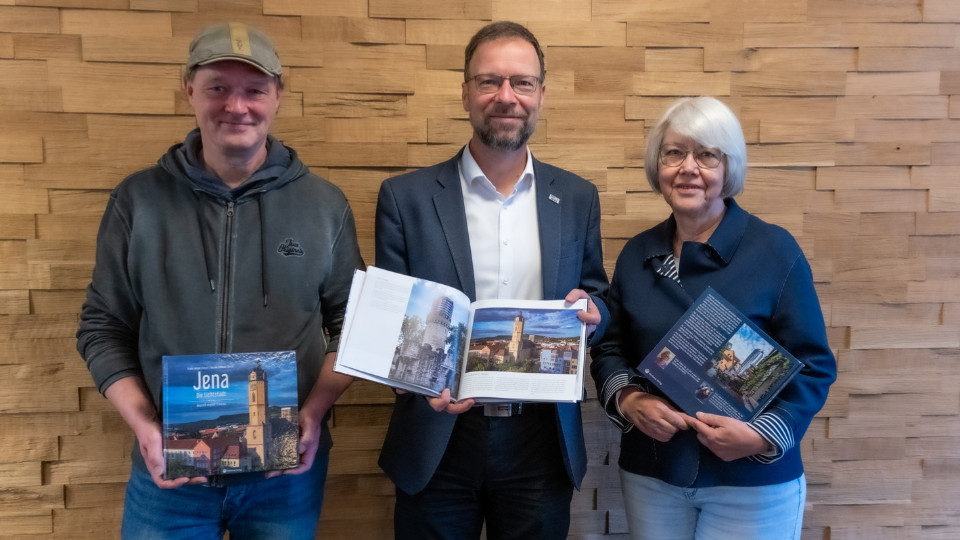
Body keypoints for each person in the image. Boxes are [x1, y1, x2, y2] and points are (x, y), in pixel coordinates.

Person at [76, 22, 363, 539]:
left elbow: (355, 327)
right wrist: (144, 425)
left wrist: (315, 413)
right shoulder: (137, 202)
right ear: (189, 89)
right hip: (170, 470)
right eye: (218, 89)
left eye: (255, 90)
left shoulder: (325, 206)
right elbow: (103, 326)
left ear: (278, 95)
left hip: (285, 472)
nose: (237, 107)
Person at [375, 20, 609, 540]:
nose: (506, 97)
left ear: (541, 95)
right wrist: (414, 379)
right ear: (465, 93)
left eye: (522, 83)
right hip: (438, 436)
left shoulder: (576, 198)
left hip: (540, 439)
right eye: (489, 81)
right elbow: (388, 321)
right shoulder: (404, 198)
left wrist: (593, 312)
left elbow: (599, 293)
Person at [590, 96, 836, 539]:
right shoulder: (636, 255)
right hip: (653, 475)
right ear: (657, 164)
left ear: (728, 168)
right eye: (674, 152)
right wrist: (630, 401)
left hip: (751, 483)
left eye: (707, 154)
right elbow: (610, 348)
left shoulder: (775, 251)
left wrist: (760, 436)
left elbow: (814, 365)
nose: (688, 167)